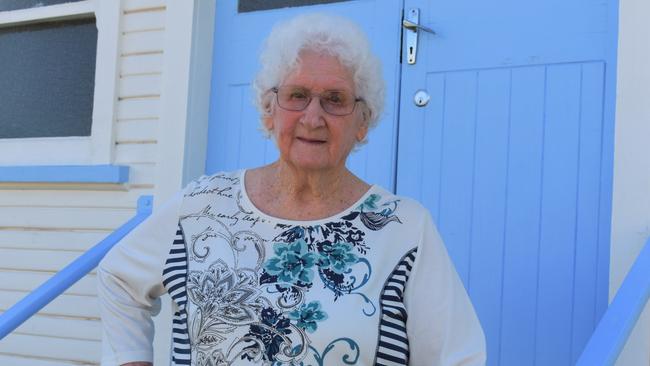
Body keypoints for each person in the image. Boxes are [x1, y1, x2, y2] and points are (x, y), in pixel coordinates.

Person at [98, 13, 486, 366]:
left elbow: (459, 356)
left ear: (363, 122)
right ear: (270, 111)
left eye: (335, 100)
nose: (313, 117)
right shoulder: (202, 205)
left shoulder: (404, 229)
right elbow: (119, 277)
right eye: (297, 95)